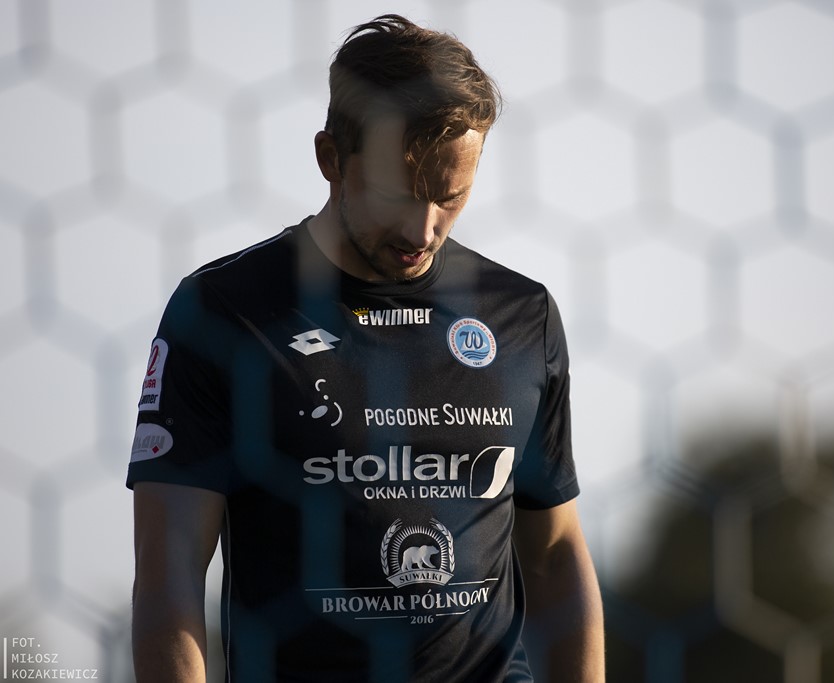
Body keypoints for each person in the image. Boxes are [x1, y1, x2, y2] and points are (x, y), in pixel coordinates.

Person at [128, 14, 604, 683]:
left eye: (450, 197)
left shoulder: (522, 315)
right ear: (330, 158)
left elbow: (555, 556)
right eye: (397, 196)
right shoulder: (222, 313)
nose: (423, 229)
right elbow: (168, 574)